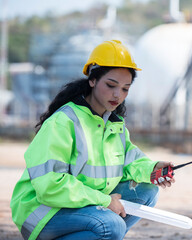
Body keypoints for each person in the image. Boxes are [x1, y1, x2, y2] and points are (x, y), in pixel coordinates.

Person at [10, 40, 175, 240]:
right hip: (44, 211)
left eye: (125, 88)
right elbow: (49, 186)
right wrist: (104, 201)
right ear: (92, 80)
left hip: (81, 204)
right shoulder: (64, 122)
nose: (118, 95)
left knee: (146, 191)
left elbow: (130, 161)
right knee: (111, 225)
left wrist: (154, 168)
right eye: (111, 85)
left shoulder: (114, 124)